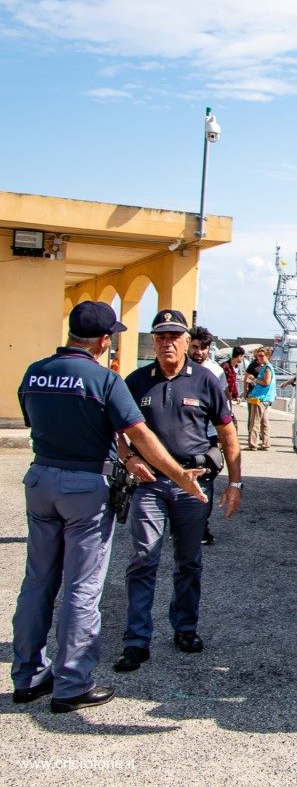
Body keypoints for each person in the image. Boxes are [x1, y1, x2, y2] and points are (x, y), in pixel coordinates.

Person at [12, 301, 207, 713]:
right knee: (81, 587)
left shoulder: (34, 372)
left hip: (41, 479)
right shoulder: (104, 380)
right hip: (84, 487)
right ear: (103, 341)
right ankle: (72, 683)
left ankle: (28, 676)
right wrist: (179, 475)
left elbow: (32, 420)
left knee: (37, 582)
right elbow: (140, 435)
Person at [111, 309, 242, 673]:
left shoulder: (205, 381)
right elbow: (116, 432)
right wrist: (128, 458)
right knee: (143, 559)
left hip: (193, 485)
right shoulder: (136, 381)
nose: (167, 343)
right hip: (148, 485)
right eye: (161, 337)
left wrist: (234, 483)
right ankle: (136, 640)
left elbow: (228, 433)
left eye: (174, 337)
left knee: (188, 561)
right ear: (153, 342)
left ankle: (185, 628)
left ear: (187, 342)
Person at [189, 325, 225, 545]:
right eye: (195, 347)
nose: (199, 352)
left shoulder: (216, 372)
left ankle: (201, 527)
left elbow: (224, 406)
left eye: (203, 348)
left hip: (208, 436)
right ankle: (181, 525)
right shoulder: (177, 369)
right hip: (183, 435)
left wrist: (222, 437)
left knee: (205, 482)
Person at [245, 346, 276, 451]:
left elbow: (266, 382)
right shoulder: (267, 367)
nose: (259, 357)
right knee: (264, 422)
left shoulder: (267, 368)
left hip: (261, 398)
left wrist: (254, 379)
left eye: (261, 356)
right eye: (258, 356)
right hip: (265, 398)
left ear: (268, 356)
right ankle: (266, 444)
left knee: (255, 421)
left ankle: (253, 444)